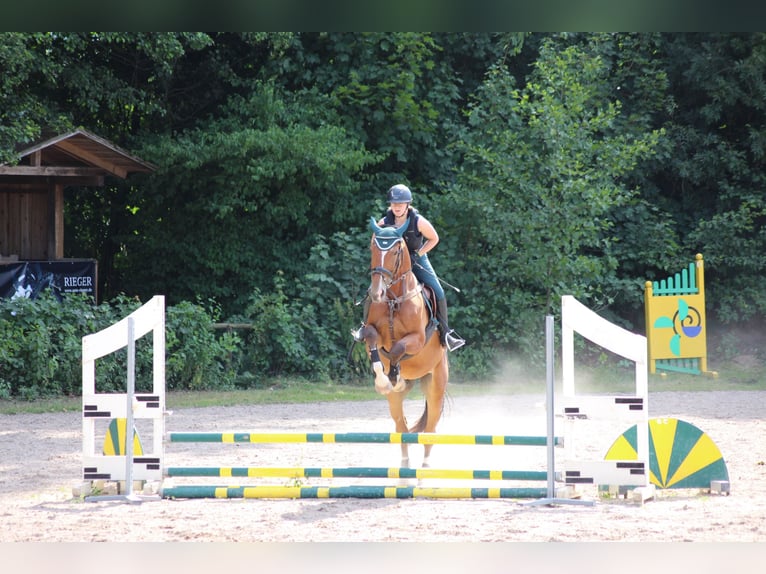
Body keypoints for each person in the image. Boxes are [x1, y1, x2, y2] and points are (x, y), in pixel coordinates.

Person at [352, 183, 465, 351]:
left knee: (438, 290)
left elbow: (434, 238)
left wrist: (418, 254)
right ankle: (364, 326)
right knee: (372, 290)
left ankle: (445, 333)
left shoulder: (418, 221)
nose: (397, 207)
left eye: (401, 203)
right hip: (392, 263)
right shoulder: (384, 223)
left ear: (407, 205)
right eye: (394, 204)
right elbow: (374, 243)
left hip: (416, 259)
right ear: (390, 205)